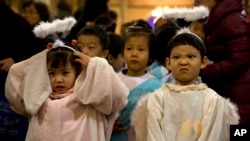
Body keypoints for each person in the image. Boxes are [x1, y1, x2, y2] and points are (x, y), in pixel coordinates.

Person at [5, 38, 129, 140]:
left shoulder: (88, 96)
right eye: (52, 73)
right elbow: (15, 73)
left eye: (65, 73)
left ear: (78, 71)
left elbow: (119, 94)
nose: (58, 79)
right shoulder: (37, 99)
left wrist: (93, 65)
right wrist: (43, 57)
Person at [132, 29, 239, 141]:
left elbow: (213, 135)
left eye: (191, 56)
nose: (183, 62)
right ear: (168, 63)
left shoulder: (213, 100)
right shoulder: (158, 99)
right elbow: (153, 135)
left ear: (203, 62)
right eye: (176, 57)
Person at [196, 0, 250, 124]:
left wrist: (203, 70)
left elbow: (240, 61)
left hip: (238, 93)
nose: (197, 1)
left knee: (238, 132)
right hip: (229, 90)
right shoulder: (219, 18)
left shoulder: (231, 19)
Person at [0, 0, 44, 140]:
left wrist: (15, 59)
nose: (27, 15)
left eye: (32, 12)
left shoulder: (16, 22)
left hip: (11, 86)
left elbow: (38, 50)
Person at [110, 25, 163, 141]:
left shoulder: (157, 87)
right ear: (123, 52)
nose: (134, 54)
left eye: (141, 49)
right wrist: (107, 124)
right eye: (129, 48)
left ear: (150, 55)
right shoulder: (112, 80)